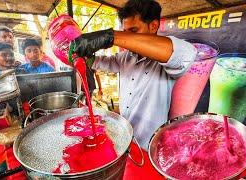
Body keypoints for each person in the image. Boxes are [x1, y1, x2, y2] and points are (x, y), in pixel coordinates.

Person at [71, 0, 197, 149]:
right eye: (125, 32)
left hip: (149, 145)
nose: (126, 39)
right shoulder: (127, 57)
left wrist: (110, 37)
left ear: (154, 26)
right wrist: (82, 56)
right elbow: (102, 62)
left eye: (133, 31)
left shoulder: (169, 56)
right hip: (124, 138)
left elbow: (186, 54)